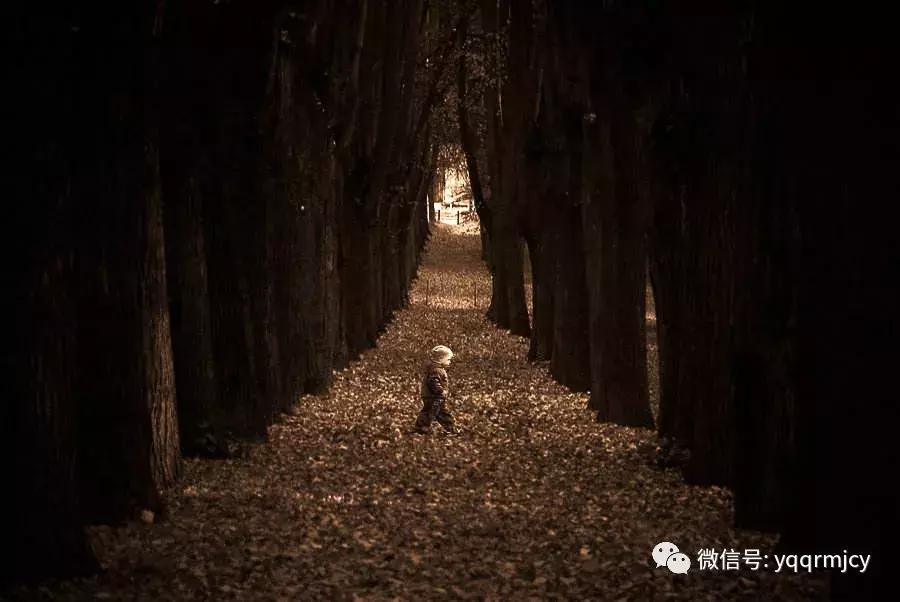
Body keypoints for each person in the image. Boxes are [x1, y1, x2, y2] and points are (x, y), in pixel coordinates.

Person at [414, 345, 458, 434]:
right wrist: (440, 391)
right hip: (434, 396)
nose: (449, 362)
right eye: (448, 359)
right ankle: (451, 428)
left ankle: (421, 427)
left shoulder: (434, 369)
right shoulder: (437, 370)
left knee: (428, 410)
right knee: (441, 412)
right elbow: (433, 382)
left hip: (429, 396)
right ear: (440, 359)